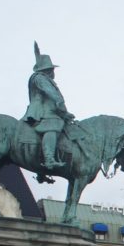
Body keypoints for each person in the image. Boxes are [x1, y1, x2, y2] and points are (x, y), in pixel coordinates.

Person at [22, 43, 75, 171]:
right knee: (53, 126)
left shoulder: (44, 78)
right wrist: (60, 104)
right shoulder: (40, 78)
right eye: (51, 69)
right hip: (41, 111)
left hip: (48, 109)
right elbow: (51, 93)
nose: (53, 72)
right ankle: (49, 159)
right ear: (47, 70)